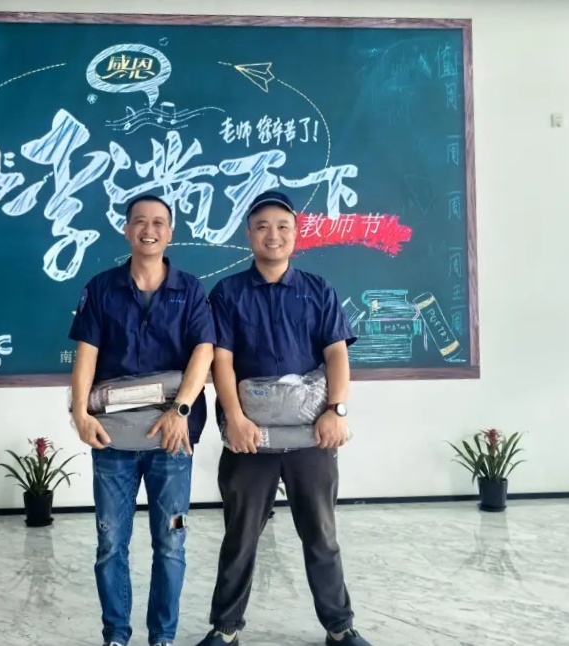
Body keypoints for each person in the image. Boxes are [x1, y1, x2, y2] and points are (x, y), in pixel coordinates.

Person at [196, 190, 372, 646]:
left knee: (321, 536)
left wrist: (336, 410)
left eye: (282, 227)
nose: (272, 235)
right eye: (262, 227)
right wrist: (234, 418)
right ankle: (225, 627)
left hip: (311, 435)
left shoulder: (318, 290)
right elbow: (221, 360)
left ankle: (339, 627)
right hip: (249, 436)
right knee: (240, 537)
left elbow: (336, 354)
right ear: (248, 235)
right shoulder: (228, 293)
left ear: (296, 234)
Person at [68, 194, 216, 646]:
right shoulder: (101, 288)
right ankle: (116, 634)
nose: (148, 230)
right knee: (111, 542)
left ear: (170, 232)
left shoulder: (190, 289)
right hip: (112, 439)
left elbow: (204, 352)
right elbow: (87, 353)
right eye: (139, 221)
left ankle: (162, 637)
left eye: (158, 223)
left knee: (171, 542)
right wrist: (79, 412)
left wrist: (181, 409)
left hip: (172, 438)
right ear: (126, 229)